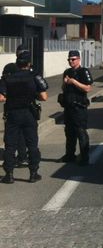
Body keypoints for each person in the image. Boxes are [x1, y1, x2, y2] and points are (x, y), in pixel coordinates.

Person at [0, 51, 48, 183]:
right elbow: (44, 96)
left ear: (17, 63)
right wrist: (32, 95)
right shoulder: (34, 76)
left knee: (10, 145)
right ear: (29, 63)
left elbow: (1, 98)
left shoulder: (7, 78)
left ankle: (9, 175)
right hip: (29, 113)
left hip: (13, 114)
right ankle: (33, 173)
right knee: (32, 144)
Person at [60, 50, 93, 166]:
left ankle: (84, 157)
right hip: (68, 107)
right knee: (69, 132)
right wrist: (65, 83)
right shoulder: (67, 72)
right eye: (69, 59)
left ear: (79, 59)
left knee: (81, 132)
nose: (70, 61)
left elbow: (88, 88)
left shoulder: (83, 71)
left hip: (79, 107)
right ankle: (70, 155)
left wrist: (74, 82)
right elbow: (63, 89)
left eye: (73, 59)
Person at [2, 45, 29, 168]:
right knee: (24, 134)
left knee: (11, 137)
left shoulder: (10, 68)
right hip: (27, 109)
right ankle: (23, 157)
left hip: (13, 108)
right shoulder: (30, 71)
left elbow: (3, 95)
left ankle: (11, 163)